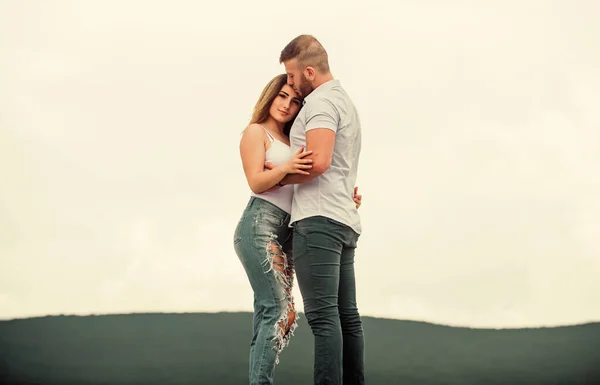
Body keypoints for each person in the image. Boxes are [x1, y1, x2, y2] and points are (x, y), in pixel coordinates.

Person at [233, 73, 363, 385]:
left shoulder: (298, 140)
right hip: (260, 225)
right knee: (277, 310)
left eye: (294, 101)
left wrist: (344, 197)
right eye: (281, 96)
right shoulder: (256, 132)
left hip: (291, 231)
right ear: (270, 96)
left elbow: (310, 182)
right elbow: (256, 182)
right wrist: (286, 168)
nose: (287, 105)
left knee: (282, 315)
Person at [276, 35, 366, 385]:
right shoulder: (345, 101)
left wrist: (275, 179)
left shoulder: (321, 104)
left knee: (323, 318)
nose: (291, 83)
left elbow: (321, 160)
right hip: (342, 217)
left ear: (309, 71)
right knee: (347, 317)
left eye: (293, 76)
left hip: (318, 220)